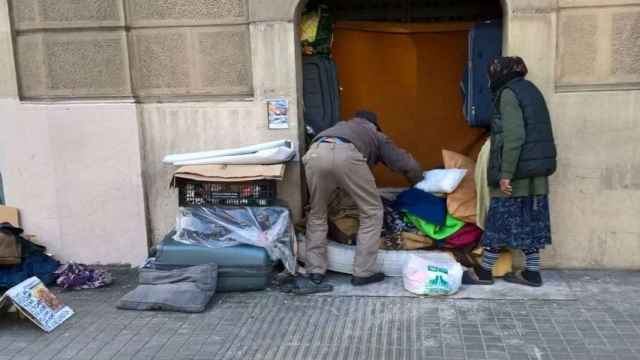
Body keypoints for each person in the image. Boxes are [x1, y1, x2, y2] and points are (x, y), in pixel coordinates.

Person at [463, 56, 557, 287]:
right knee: (528, 224)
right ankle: (532, 273)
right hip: (534, 174)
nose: (489, 79)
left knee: (500, 221)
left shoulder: (507, 94)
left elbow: (514, 137)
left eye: (491, 74)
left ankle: (484, 271)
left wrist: (506, 174)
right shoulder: (530, 90)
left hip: (517, 173)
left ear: (499, 74)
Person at [303, 110, 422, 288]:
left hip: (315, 153)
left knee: (317, 213)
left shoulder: (340, 127)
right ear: (375, 125)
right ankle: (363, 273)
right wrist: (419, 183)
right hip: (346, 155)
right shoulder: (375, 134)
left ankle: (315, 271)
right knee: (372, 212)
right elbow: (406, 164)